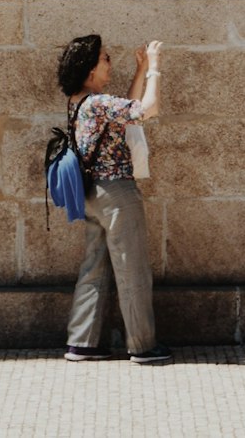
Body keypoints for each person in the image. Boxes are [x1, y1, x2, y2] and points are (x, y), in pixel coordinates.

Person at [58, 33, 172, 366]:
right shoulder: (97, 103)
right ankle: (143, 345)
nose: (110, 63)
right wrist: (156, 68)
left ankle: (83, 342)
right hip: (117, 193)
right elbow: (146, 110)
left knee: (94, 268)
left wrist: (140, 71)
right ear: (90, 68)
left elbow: (124, 112)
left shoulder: (81, 101)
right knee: (132, 268)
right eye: (105, 59)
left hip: (92, 194)